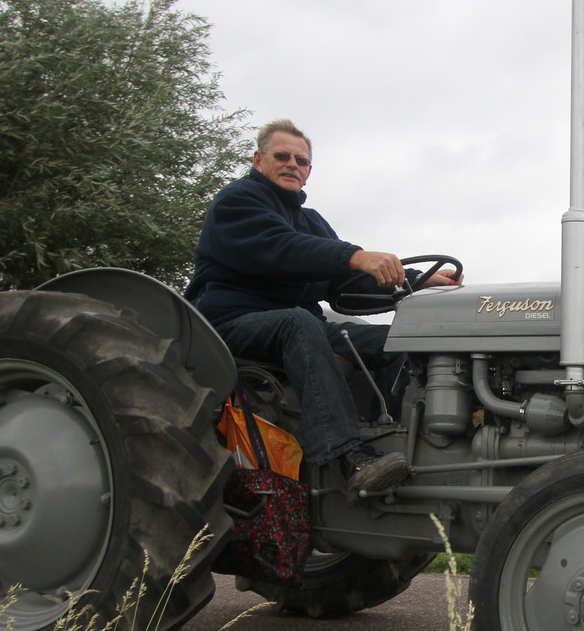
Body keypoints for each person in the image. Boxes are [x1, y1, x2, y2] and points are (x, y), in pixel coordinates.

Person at [184, 119, 459, 499]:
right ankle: (349, 457)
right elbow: (281, 249)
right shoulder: (237, 201)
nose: (292, 164)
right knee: (298, 322)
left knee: (400, 342)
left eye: (301, 161)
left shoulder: (310, 221)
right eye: (282, 156)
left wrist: (419, 280)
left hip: (302, 326)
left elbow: (346, 283)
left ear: (309, 171)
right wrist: (356, 256)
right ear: (259, 160)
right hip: (228, 323)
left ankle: (399, 445)